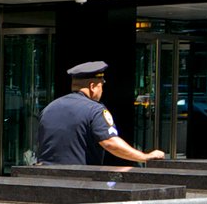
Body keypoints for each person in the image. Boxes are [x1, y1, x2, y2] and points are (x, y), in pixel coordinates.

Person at [35, 60, 166, 167]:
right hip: (77, 180)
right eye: (101, 86)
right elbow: (110, 143)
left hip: (44, 179)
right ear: (92, 87)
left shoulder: (49, 108)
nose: (102, 90)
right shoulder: (94, 109)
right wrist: (145, 157)